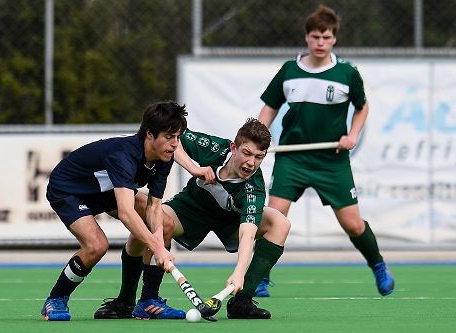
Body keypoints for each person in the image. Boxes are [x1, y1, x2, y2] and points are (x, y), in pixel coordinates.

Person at [256, 5, 394, 298]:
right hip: (292, 157)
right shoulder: (289, 70)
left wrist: (352, 135)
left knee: (353, 224)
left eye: (327, 37)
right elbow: (269, 107)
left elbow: (362, 106)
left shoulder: (346, 73)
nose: (321, 42)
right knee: (273, 216)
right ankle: (261, 278)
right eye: (316, 36)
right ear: (306, 37)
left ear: (334, 39)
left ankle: (378, 264)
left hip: (331, 160)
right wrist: (258, 138)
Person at [94, 118, 290, 320]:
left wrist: (239, 271)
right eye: (247, 153)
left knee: (280, 223)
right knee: (154, 222)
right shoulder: (215, 149)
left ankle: (242, 300)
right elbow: (175, 141)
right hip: (190, 209)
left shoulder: (253, 189)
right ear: (233, 148)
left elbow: (247, 234)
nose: (251, 163)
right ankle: (127, 301)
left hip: (231, 221)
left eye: (259, 157)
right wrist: (194, 169)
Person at [40, 101, 188, 321]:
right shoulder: (123, 156)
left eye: (178, 137)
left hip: (105, 188)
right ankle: (56, 298)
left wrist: (157, 237)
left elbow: (154, 206)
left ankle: (147, 301)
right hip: (70, 189)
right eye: (169, 137)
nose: (175, 144)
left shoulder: (163, 156)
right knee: (97, 245)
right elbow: (127, 212)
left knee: (163, 224)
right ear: (150, 134)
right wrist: (157, 246)